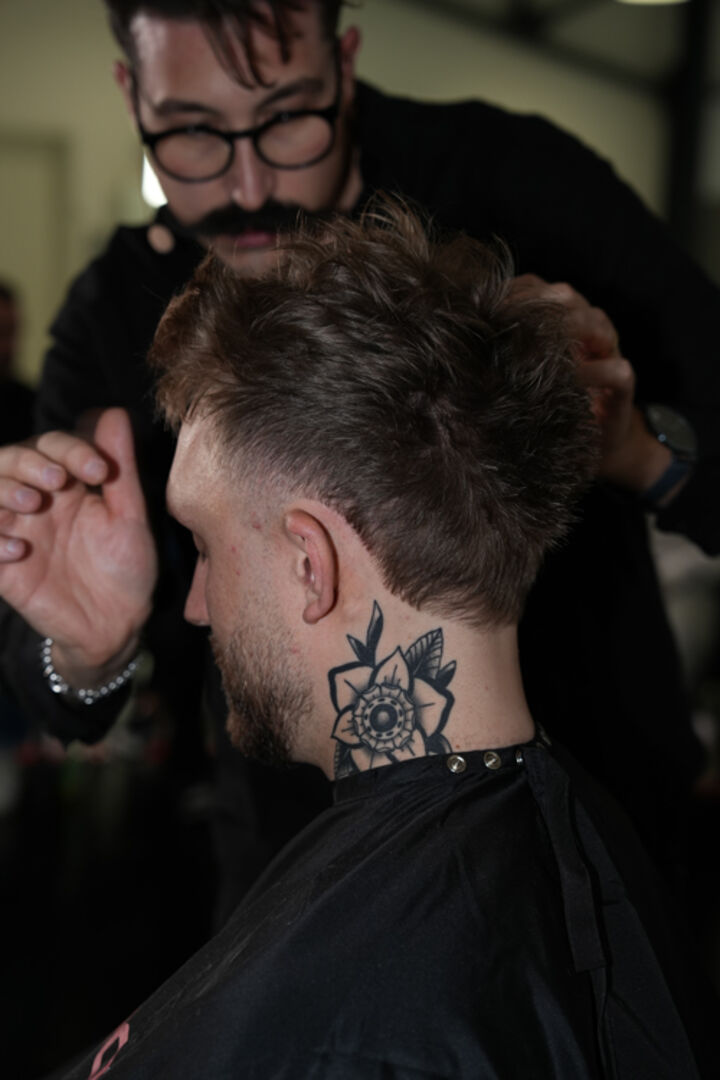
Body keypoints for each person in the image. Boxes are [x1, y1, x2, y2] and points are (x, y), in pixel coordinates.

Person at [0, 0, 718, 913]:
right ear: (131, 95)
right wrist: (85, 649)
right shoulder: (114, 309)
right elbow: (60, 689)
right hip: (302, 867)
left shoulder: (520, 183)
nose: (248, 187)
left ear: (343, 63)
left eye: (286, 117)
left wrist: (638, 452)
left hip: (599, 829)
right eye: (192, 133)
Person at [54, 203, 715, 1080]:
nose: (197, 607)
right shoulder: (576, 853)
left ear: (310, 562)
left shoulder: (384, 1026)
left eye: (204, 547)